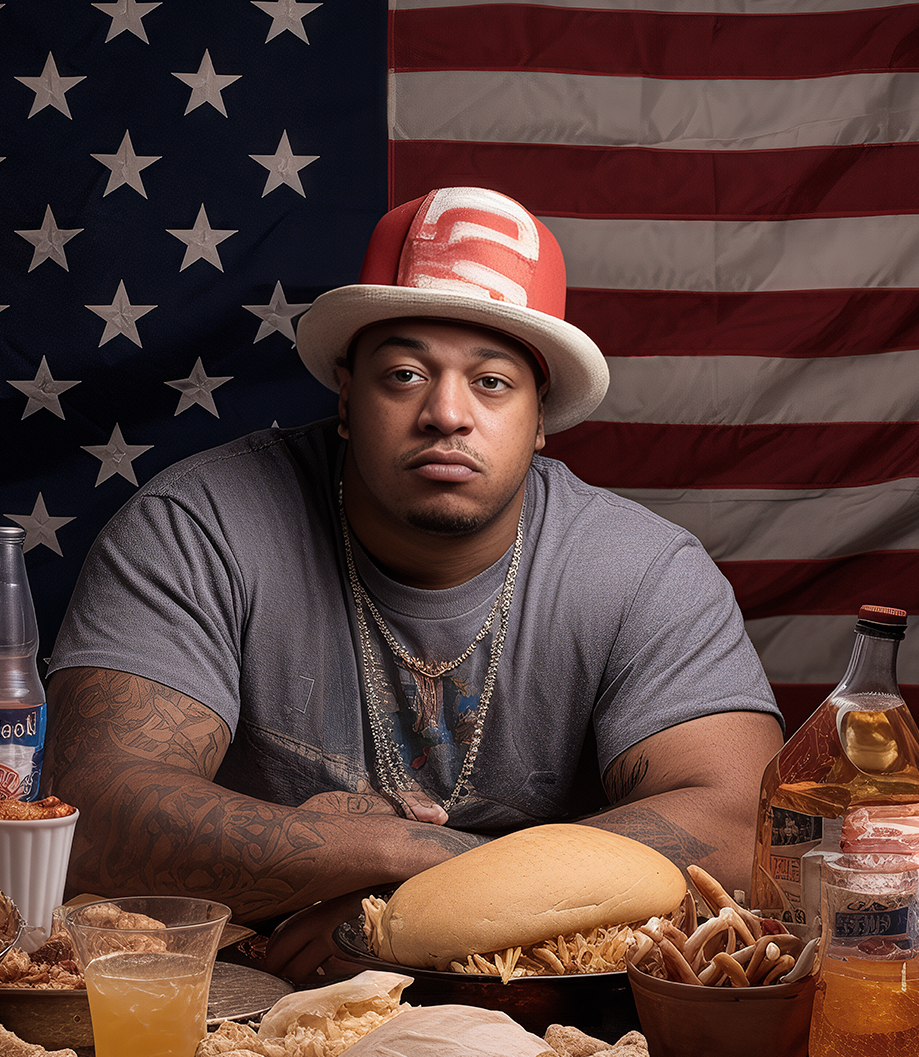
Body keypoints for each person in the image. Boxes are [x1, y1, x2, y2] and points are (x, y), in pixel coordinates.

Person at [44, 187, 782, 923]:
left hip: (545, 1007)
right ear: (345, 397)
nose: (447, 414)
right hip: (252, 1005)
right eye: (404, 375)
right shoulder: (199, 527)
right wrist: (398, 858)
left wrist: (418, 910)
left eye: (492, 382)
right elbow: (93, 819)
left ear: (540, 419)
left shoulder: (643, 571)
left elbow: (745, 827)